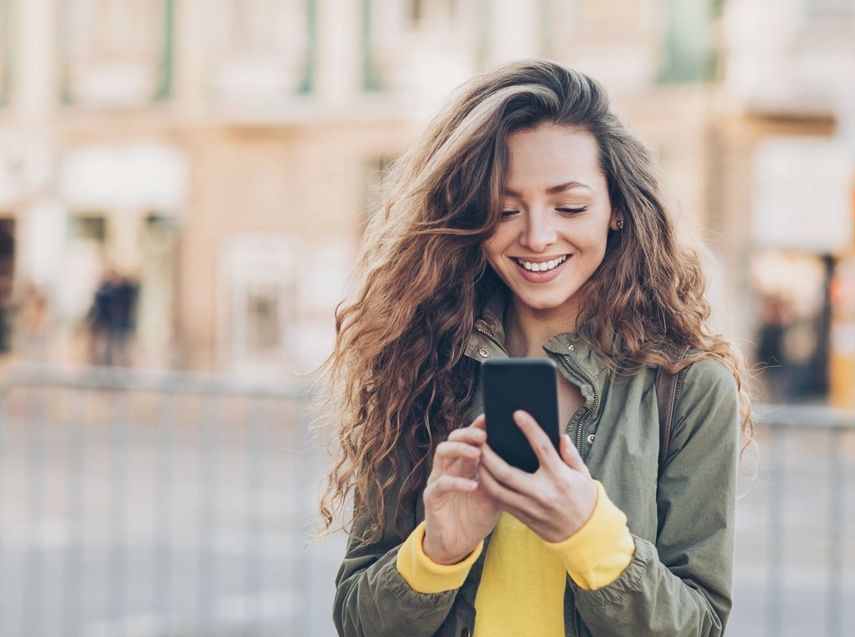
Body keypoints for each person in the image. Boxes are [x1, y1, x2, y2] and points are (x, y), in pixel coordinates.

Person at [318, 59, 752, 637]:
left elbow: (697, 626)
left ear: (617, 209)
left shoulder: (689, 388)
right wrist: (437, 553)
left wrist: (589, 532)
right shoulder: (419, 364)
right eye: (504, 209)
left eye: (569, 206)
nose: (538, 236)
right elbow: (358, 621)